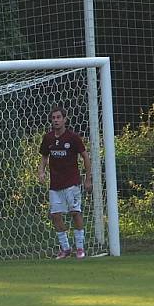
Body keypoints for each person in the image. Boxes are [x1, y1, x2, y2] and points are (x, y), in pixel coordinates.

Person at [37, 104, 92, 259]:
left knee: (75, 213)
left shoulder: (73, 138)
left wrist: (88, 179)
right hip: (55, 184)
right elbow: (44, 157)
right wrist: (41, 171)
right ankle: (65, 248)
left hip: (72, 183)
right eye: (53, 117)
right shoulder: (47, 138)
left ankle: (80, 248)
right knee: (55, 215)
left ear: (64, 119)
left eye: (59, 117)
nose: (56, 120)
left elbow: (85, 157)